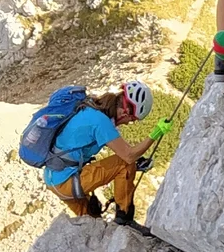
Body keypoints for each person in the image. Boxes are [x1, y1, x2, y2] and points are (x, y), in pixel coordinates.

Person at [42, 81, 154, 222]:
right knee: (124, 163)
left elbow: (122, 148)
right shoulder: (101, 122)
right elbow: (128, 156)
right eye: (131, 120)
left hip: (54, 178)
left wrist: (137, 159)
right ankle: (125, 219)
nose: (128, 123)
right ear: (125, 111)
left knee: (91, 220)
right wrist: (155, 135)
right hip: (67, 181)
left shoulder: (92, 110)